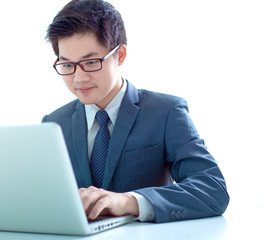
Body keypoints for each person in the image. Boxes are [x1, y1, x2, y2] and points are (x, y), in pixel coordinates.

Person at [42, 0, 229, 223]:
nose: (78, 78)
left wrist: (129, 202)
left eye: (91, 62)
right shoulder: (54, 123)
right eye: (67, 65)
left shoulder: (166, 112)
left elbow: (212, 189)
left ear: (120, 55)